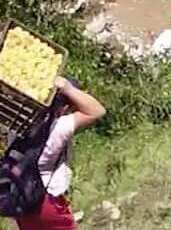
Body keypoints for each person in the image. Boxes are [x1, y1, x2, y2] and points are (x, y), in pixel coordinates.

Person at [16, 76, 106, 229]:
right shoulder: (60, 127)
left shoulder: (21, 121)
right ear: (65, 107)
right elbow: (97, 111)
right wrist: (67, 88)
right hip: (45, 202)